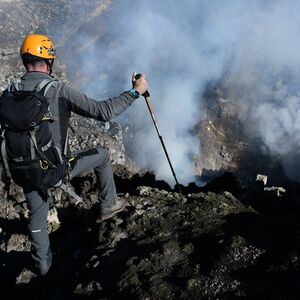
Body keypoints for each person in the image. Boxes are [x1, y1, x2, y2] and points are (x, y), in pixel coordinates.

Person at [10, 33, 148, 276]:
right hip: (55, 170)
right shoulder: (58, 90)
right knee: (103, 154)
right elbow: (103, 111)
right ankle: (108, 204)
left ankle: (43, 269)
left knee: (37, 217)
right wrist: (135, 92)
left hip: (22, 172)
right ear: (49, 61)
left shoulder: (10, 93)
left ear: (24, 60)